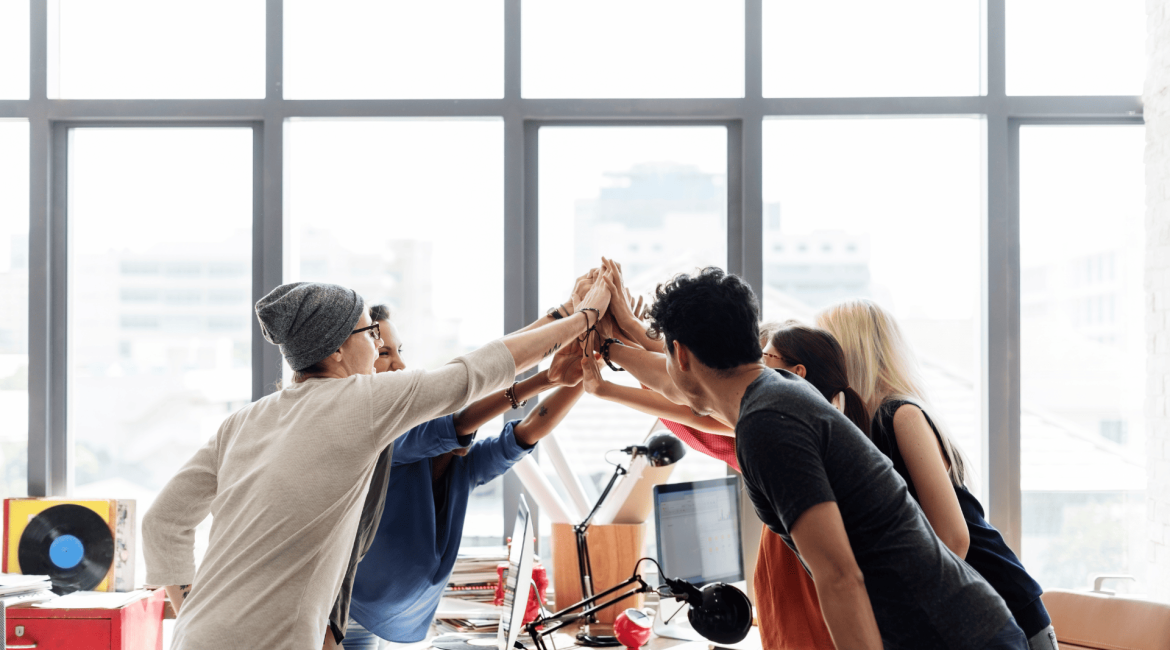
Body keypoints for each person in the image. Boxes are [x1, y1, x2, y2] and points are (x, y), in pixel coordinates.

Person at [142, 274, 613, 649]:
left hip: (197, 636)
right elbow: (473, 372)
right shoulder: (361, 402)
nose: (377, 341)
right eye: (370, 331)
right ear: (337, 349)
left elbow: (162, 522)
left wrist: (192, 610)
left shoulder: (244, 422)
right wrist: (581, 318)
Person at [643, 267, 1026, 650]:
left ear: (680, 355)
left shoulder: (767, 424)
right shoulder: (779, 392)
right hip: (963, 627)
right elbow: (675, 389)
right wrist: (607, 351)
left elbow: (839, 575)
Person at [329, 304, 592, 649]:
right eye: (384, 353)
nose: (401, 365)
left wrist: (591, 366)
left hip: (375, 616)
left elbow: (524, 434)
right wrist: (548, 371)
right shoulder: (385, 440)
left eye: (400, 352)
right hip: (348, 613)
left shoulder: (456, 469)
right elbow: (462, 412)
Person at [817, 299, 1058, 650]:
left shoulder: (901, 415)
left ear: (851, 351)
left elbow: (954, 538)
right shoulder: (864, 427)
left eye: (827, 347)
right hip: (970, 611)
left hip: (1002, 605)